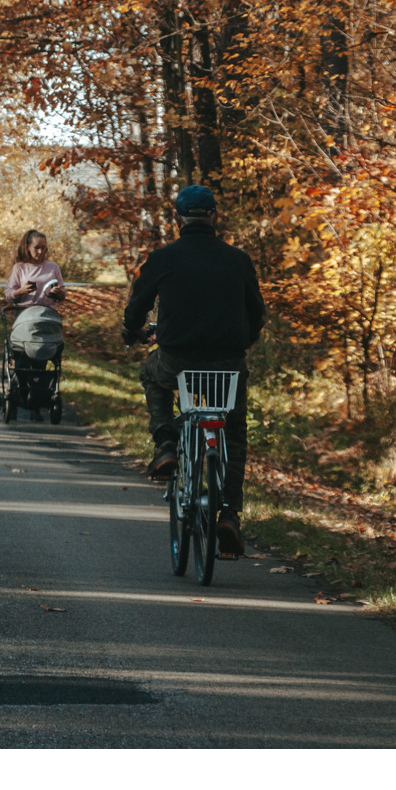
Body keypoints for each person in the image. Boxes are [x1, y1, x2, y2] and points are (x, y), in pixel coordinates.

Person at [121, 185, 264, 557]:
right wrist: (243, 341)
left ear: (176, 217)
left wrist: (133, 330)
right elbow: (257, 313)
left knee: (151, 374)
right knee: (233, 433)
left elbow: (135, 310)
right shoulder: (238, 260)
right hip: (227, 367)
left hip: (176, 362)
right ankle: (230, 513)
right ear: (215, 215)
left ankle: (166, 442)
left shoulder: (162, 258)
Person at [2, 230, 66, 420]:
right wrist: (22, 290)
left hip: (46, 318)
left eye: (43, 248)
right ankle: (20, 396)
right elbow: (8, 293)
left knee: (41, 361)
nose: (40, 252)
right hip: (25, 318)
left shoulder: (52, 267)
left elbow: (63, 292)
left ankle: (36, 402)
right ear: (28, 247)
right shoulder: (19, 268)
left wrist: (57, 293)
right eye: (36, 248)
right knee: (22, 362)